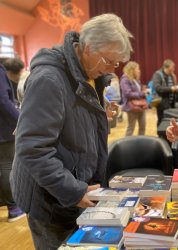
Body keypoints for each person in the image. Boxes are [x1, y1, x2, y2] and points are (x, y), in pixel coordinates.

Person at [10, 13, 133, 249]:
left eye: (116, 63)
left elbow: (69, 117)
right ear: (87, 47)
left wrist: (97, 114)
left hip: (71, 191)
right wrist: (73, 191)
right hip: (51, 200)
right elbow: (33, 148)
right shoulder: (49, 80)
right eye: (109, 61)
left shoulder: (89, 73)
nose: (112, 69)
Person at [0, 61, 26, 222]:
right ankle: (14, 208)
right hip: (3, 129)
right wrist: (20, 121)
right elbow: (3, 100)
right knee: (7, 165)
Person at [120, 61, 147, 136]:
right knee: (131, 128)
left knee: (142, 127)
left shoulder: (136, 80)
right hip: (131, 107)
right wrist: (142, 93)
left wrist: (144, 92)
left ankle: (142, 144)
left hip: (141, 105)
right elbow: (127, 94)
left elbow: (137, 92)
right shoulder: (124, 79)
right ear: (132, 70)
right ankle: (127, 146)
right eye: (137, 69)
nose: (139, 71)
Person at [152, 59, 178, 126]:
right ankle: (160, 136)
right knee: (162, 121)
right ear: (167, 67)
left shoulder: (172, 75)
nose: (174, 69)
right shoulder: (158, 74)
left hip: (171, 104)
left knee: (170, 122)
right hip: (162, 104)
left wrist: (176, 89)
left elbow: (173, 87)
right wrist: (171, 89)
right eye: (172, 67)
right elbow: (157, 88)